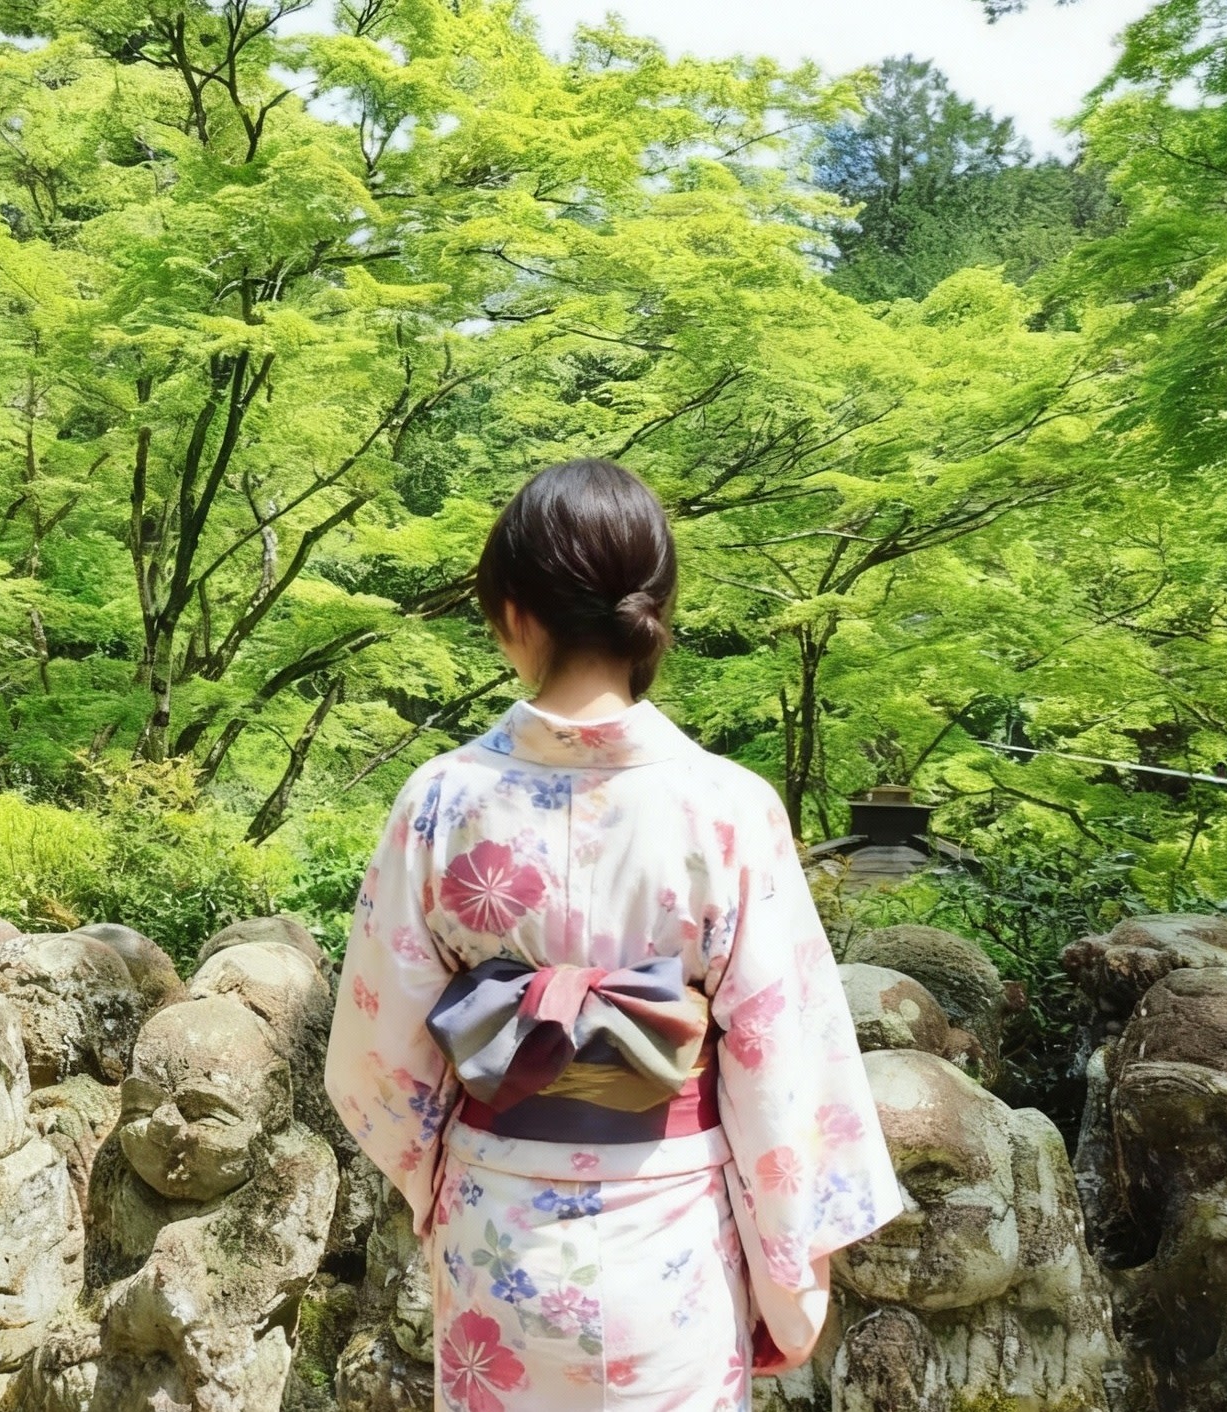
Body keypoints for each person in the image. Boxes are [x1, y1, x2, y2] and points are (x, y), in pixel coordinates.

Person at [325, 458, 899, 1407]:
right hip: (669, 1237)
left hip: (496, 1234)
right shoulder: (726, 806)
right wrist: (792, 1270)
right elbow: (779, 1059)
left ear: (511, 610)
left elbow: (379, 1063)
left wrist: (438, 1176)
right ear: (653, 611)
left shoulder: (441, 800)